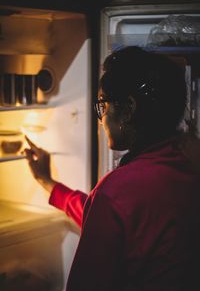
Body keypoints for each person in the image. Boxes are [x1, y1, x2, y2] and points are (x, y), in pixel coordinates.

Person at [25, 46, 200, 291]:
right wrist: (48, 182)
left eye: (102, 106)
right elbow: (120, 225)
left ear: (127, 109)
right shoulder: (186, 170)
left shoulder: (116, 191)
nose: (101, 118)